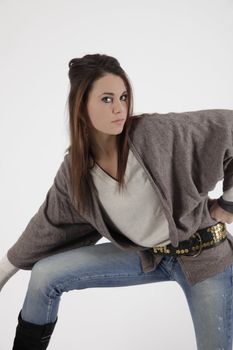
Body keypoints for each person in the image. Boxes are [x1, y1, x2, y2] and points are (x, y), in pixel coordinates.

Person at [1, 53, 233, 350]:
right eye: (107, 99)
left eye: (123, 97)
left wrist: (227, 205)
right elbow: (47, 225)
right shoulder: (77, 171)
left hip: (205, 255)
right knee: (45, 275)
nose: (120, 108)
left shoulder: (155, 133)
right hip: (149, 256)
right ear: (81, 106)